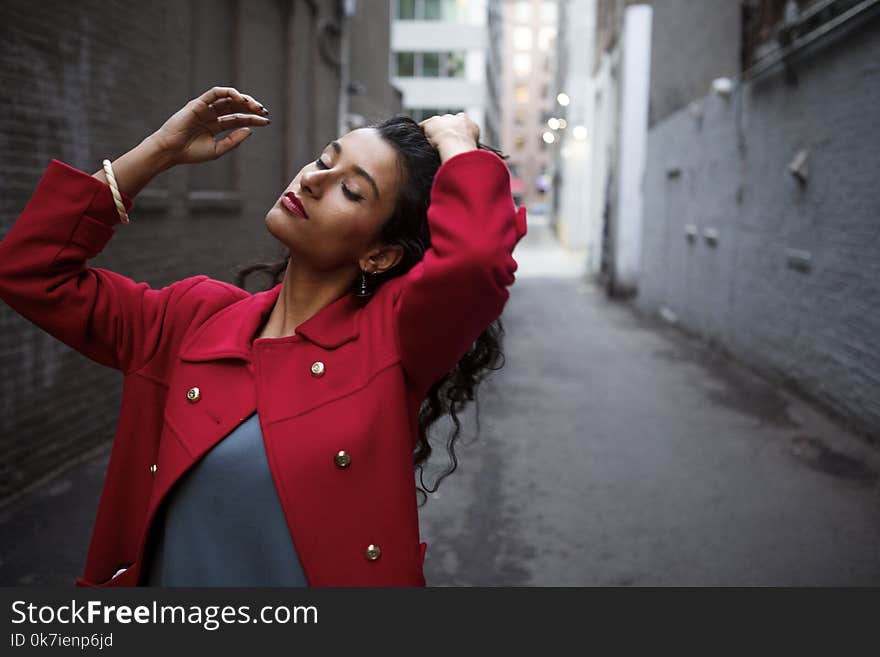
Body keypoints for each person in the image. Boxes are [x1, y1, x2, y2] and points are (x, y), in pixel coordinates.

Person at [0, 86, 528, 587]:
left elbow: (477, 261)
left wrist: (458, 144)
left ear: (380, 255)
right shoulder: (190, 319)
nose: (314, 180)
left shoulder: (392, 341)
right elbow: (30, 271)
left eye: (350, 189)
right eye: (325, 160)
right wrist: (160, 151)